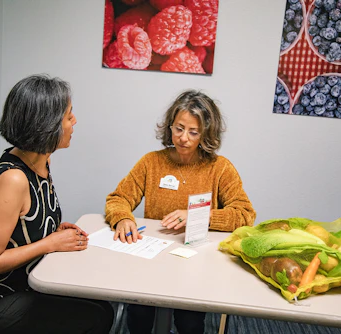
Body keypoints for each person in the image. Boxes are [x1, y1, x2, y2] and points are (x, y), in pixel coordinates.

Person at [0, 74, 114, 334]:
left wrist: (54, 232)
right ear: (47, 125)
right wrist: (48, 244)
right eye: (69, 115)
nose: (75, 122)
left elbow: (23, 225)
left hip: (24, 282)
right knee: (96, 316)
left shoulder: (41, 160)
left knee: (102, 306)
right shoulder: (13, 179)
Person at [104, 90, 256, 334]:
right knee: (139, 315)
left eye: (193, 132)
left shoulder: (220, 168)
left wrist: (199, 216)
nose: (183, 138)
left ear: (206, 133)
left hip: (195, 262)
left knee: (190, 323)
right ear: (170, 127)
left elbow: (244, 214)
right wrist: (122, 217)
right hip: (150, 259)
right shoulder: (151, 162)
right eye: (178, 128)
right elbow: (118, 198)